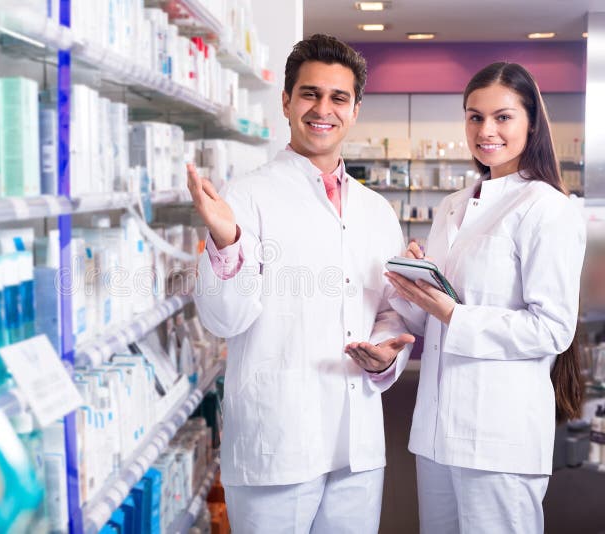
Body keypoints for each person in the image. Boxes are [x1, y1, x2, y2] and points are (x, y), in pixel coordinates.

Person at [186, 34, 415, 534]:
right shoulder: (246, 197)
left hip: (355, 446)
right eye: (310, 93)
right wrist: (226, 243)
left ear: (355, 109)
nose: (322, 109)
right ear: (287, 101)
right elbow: (224, 318)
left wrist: (384, 351)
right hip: (279, 442)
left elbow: (388, 309)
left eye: (338, 98)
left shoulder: (376, 212)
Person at [385, 62, 586, 534]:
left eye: (502, 117)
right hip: (436, 433)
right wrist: (414, 288)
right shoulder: (452, 205)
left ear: (531, 122)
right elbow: (430, 321)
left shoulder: (546, 208)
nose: (486, 130)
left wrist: (455, 313)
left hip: (499, 436)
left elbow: (552, 329)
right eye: (474, 117)